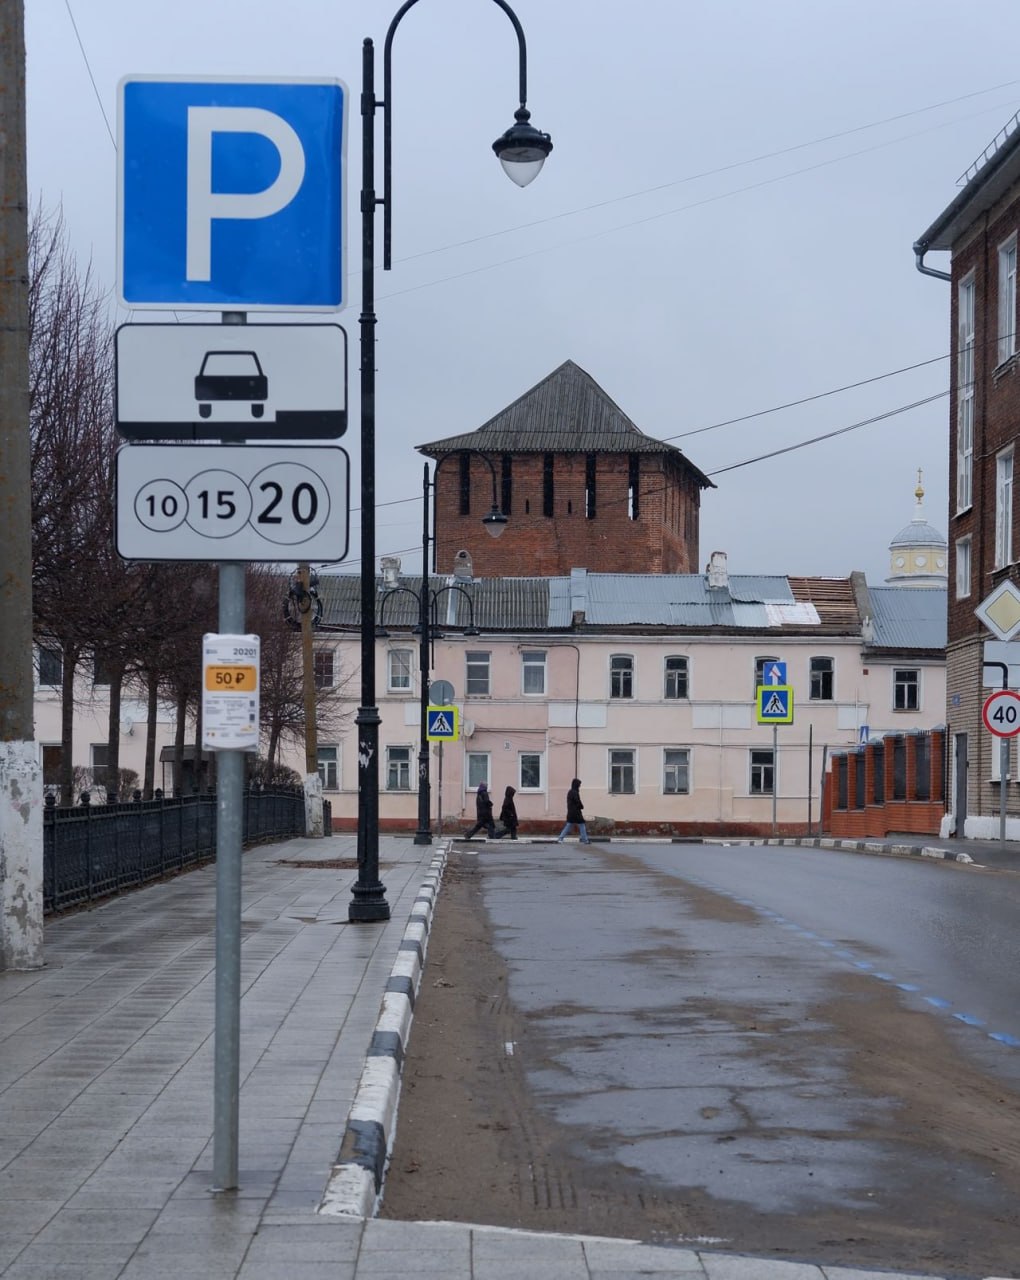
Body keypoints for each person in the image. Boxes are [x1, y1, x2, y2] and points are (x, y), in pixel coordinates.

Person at [557, 778, 591, 844]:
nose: (580, 786)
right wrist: (581, 806)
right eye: (579, 785)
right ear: (576, 785)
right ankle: (585, 840)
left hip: (570, 812)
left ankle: (560, 838)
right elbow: (577, 801)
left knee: (569, 825)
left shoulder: (570, 792)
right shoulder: (575, 792)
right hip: (576, 813)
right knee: (582, 825)